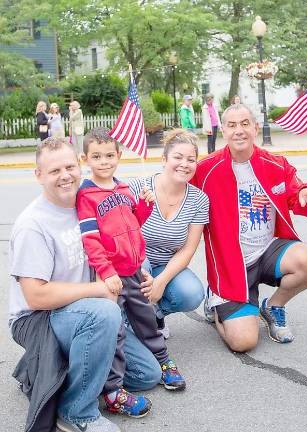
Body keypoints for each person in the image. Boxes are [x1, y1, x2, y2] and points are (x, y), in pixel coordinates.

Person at [9, 137, 160, 432]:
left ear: (79, 165)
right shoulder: (33, 224)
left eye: (69, 167)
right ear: (39, 176)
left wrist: (141, 270)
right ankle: (76, 411)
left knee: (147, 375)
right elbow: (35, 296)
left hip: (85, 311)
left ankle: (47, 368)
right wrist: (99, 291)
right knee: (105, 314)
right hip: (38, 319)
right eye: (54, 171)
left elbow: (122, 240)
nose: (64, 175)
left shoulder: (89, 203)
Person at [192, 103, 307, 352]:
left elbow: (298, 194)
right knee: (244, 342)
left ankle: (273, 306)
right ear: (224, 131)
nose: (239, 131)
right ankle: (216, 302)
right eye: (232, 125)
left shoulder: (276, 164)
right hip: (231, 265)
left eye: (244, 124)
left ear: (255, 127)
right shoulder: (205, 169)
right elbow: (179, 195)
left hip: (268, 252)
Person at [76, 128, 186, 415]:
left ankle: (163, 359)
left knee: (146, 317)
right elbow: (91, 240)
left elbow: (135, 223)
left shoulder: (124, 188)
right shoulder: (86, 195)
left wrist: (145, 206)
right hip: (111, 276)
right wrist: (106, 270)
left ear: (119, 156)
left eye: (109, 155)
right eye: (96, 156)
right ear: (85, 158)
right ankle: (113, 390)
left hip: (134, 268)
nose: (104, 162)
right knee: (116, 331)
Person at [129, 129, 208, 340]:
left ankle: (155, 314)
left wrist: (161, 281)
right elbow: (121, 233)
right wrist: (139, 207)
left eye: (191, 159)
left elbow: (188, 249)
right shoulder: (138, 187)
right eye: (178, 157)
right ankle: (130, 321)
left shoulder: (199, 200)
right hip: (136, 261)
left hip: (167, 264)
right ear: (164, 160)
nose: (185, 164)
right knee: (141, 268)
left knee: (192, 293)